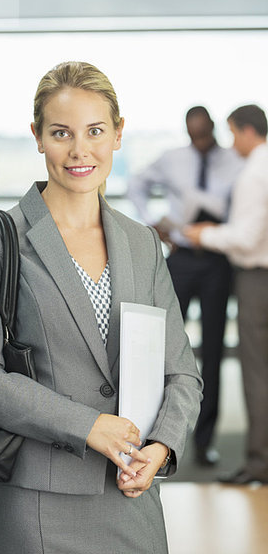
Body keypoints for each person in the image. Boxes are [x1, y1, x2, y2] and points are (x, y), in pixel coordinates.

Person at [0, 62, 202, 553]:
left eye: (95, 131)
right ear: (38, 137)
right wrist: (88, 426)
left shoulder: (141, 242)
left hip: (133, 497)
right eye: (61, 132)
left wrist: (163, 446)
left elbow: (182, 372)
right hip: (39, 504)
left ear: (118, 135)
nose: (80, 150)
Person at [128, 106, 243, 466]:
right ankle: (155, 436)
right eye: (194, 135)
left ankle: (204, 442)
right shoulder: (172, 159)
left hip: (217, 261)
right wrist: (152, 223)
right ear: (187, 132)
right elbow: (135, 184)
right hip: (179, 258)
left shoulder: (235, 161)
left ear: (213, 129)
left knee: (212, 350)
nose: (200, 140)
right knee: (160, 347)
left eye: (205, 134)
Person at [185, 104, 268, 485]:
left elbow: (246, 238)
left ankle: (259, 464)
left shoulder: (255, 171)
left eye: (234, 133)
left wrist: (204, 235)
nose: (231, 143)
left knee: (257, 374)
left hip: (257, 278)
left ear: (248, 131)